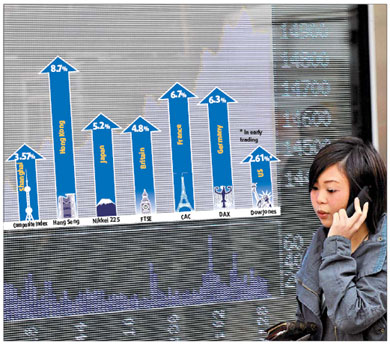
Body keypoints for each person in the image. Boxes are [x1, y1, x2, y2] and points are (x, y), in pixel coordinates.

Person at [294, 136, 387, 340]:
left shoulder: (383, 253)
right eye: (315, 187)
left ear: (363, 194)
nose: (319, 199)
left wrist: (337, 245)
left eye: (331, 190)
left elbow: (351, 317)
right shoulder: (319, 245)